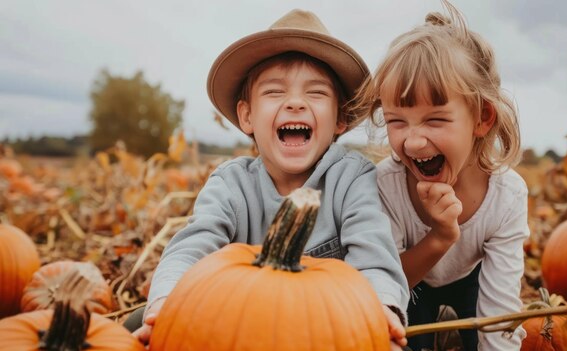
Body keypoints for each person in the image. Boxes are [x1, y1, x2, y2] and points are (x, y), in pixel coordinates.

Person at [130, 9, 410, 349]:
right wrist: (165, 304)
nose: (295, 103)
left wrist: (381, 307)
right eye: (275, 92)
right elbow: (192, 246)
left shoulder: (351, 178)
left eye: (316, 93)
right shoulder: (231, 184)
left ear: (341, 118)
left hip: (324, 332)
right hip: (240, 329)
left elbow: (374, 252)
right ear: (247, 116)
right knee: (137, 322)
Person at [352, 2, 529, 350]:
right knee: (401, 337)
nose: (413, 140)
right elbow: (385, 280)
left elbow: (500, 317)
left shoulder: (506, 197)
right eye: (396, 121)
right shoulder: (386, 185)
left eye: (435, 120)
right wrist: (440, 236)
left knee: (484, 330)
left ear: (482, 118)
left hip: (471, 282)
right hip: (411, 282)